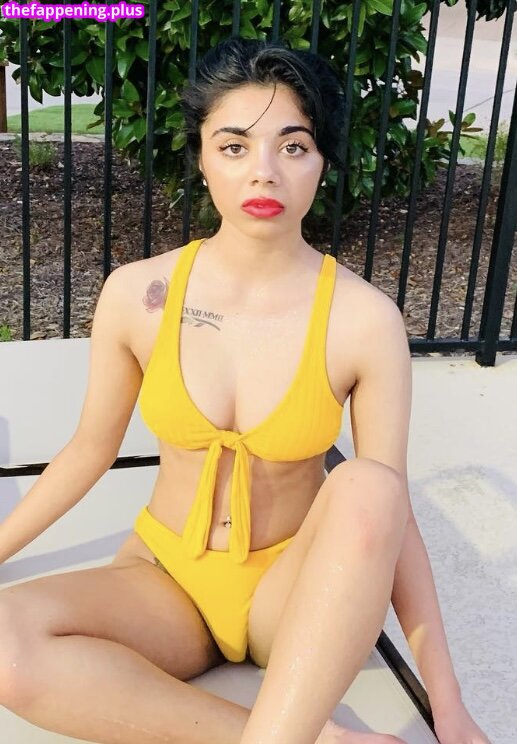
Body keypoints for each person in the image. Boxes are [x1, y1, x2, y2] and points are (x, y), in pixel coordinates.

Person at [0, 37, 490, 744]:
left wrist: (448, 704)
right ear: (202, 158)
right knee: (7, 643)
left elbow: (392, 520)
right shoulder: (138, 295)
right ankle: (304, 736)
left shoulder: (362, 320)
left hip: (292, 594)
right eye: (234, 146)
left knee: (370, 485)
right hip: (165, 580)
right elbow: (87, 451)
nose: (264, 171)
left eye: (293, 146)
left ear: (322, 163)